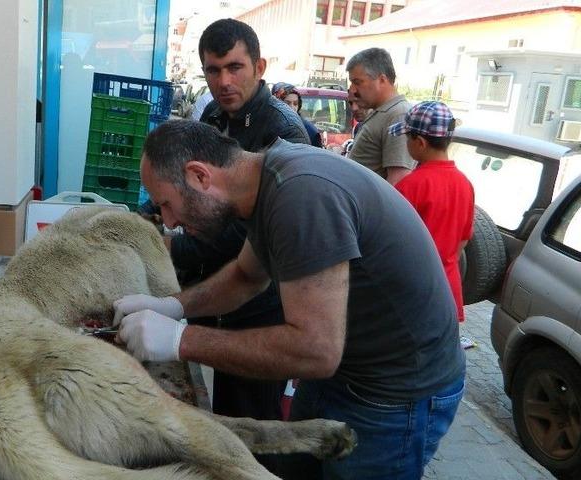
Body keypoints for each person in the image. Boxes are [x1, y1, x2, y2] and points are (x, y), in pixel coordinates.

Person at [114, 119, 465, 479]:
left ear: (200, 176)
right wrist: (174, 306)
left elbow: (315, 349)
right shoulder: (266, 182)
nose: (170, 222)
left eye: (167, 205)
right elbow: (245, 277)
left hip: (393, 395)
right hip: (342, 374)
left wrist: (180, 340)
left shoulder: (300, 195)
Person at [161, 18, 310, 431]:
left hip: (261, 303)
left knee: (252, 423)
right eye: (213, 70)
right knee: (216, 412)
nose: (223, 81)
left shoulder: (284, 133)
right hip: (216, 293)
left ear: (259, 67)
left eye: (234, 67)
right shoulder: (211, 114)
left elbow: (256, 233)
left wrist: (177, 249)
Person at [388, 101, 476, 349]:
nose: (406, 144)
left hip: (413, 294)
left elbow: (395, 247)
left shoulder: (410, 186)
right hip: (448, 290)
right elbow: (463, 239)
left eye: (407, 138)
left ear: (420, 142)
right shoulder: (464, 184)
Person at [346, 47, 416, 185]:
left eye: (357, 82)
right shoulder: (383, 112)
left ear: (382, 80)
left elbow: (398, 180)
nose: (352, 90)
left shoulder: (398, 115)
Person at [271, 82, 323, 147]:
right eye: (287, 103)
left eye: (295, 104)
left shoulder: (310, 130)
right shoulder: (266, 124)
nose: (292, 107)